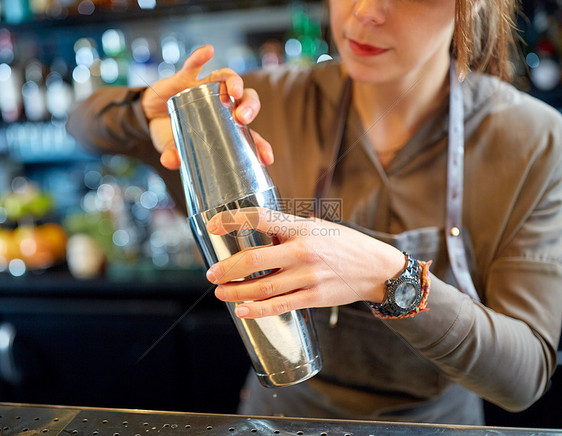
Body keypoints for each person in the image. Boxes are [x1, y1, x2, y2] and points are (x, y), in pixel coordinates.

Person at [67, 0, 562, 426]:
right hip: (278, 421)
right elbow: (83, 122)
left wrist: (393, 277)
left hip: (435, 428)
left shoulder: (533, 141)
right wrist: (148, 112)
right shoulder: (265, 104)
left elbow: (525, 377)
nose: (366, 12)